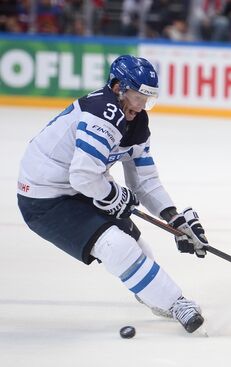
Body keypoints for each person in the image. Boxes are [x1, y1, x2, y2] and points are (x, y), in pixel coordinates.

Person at [17, 55, 208, 334]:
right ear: (118, 86)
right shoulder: (102, 111)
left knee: (137, 247)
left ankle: (154, 293)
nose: (142, 106)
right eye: (138, 96)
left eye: (148, 99)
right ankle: (176, 302)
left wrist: (175, 219)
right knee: (116, 246)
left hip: (79, 186)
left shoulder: (136, 121)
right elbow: (82, 175)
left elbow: (144, 181)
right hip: (43, 198)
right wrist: (115, 195)